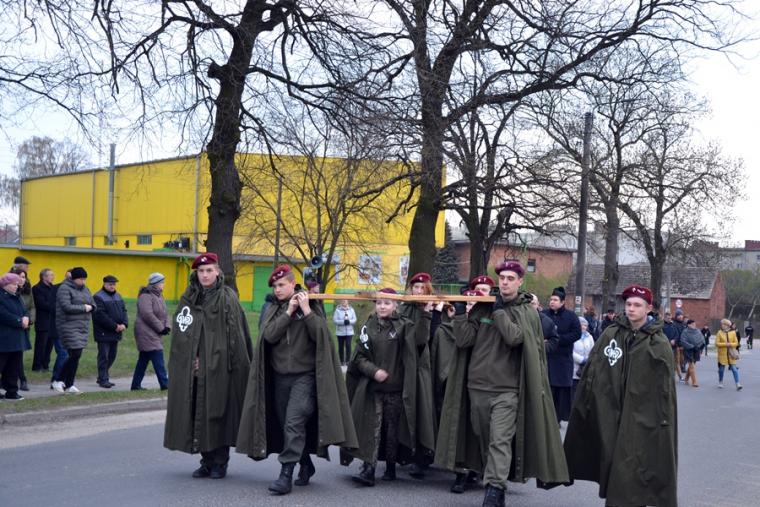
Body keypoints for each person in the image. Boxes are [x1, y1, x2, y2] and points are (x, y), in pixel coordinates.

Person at [435, 261, 569, 507]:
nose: (505, 282)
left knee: (500, 440)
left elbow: (515, 337)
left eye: (510, 278)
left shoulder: (526, 311)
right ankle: (496, 485)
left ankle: (494, 490)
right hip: (477, 387)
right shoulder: (483, 308)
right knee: (485, 439)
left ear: (520, 281)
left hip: (507, 391)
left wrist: (498, 313)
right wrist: (462, 314)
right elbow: (464, 341)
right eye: (502, 278)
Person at [236, 264, 356, 495]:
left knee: (293, 422)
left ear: (293, 284)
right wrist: (288, 312)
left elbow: (321, 335)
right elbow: (268, 336)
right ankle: (305, 463)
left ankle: (285, 474)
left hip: (305, 377)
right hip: (280, 378)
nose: (277, 289)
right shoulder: (271, 307)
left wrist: (306, 310)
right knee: (286, 426)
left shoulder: (311, 304)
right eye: (275, 286)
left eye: (282, 285)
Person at [564, 284, 678, 507]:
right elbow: (594, 370)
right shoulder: (611, 334)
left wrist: (660, 418)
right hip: (611, 410)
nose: (631, 309)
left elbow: (664, 388)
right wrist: (589, 402)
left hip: (642, 416)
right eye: (628, 304)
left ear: (648, 308)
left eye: (637, 305)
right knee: (613, 460)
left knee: (635, 462)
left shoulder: (658, 342)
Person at [164, 253, 253, 479]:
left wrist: (212, 361)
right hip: (192, 371)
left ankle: (220, 462)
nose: (205, 275)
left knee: (217, 414)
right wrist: (188, 360)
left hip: (219, 369)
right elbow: (181, 334)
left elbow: (234, 337)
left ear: (217, 272)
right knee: (196, 412)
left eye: (209, 271)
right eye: (201, 271)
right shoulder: (189, 297)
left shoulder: (227, 298)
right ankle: (206, 461)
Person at [341, 287, 433, 487]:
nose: (382, 306)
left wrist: (426, 314)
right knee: (372, 428)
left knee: (392, 430)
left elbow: (419, 341)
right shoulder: (368, 326)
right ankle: (369, 468)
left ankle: (391, 466)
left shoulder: (404, 325)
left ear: (395, 305)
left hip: (396, 390)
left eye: (387, 303)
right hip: (374, 389)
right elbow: (359, 357)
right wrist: (374, 371)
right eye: (379, 303)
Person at [397, 272, 436, 479]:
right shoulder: (403, 308)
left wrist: (427, 314)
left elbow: (423, 340)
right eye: (415, 287)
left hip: (425, 366)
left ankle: (423, 456)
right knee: (404, 409)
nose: (418, 291)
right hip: (405, 364)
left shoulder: (434, 308)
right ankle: (404, 453)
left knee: (423, 410)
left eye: (422, 288)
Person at [53, 267, 95, 394]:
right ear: (74, 278)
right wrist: (84, 308)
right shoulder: (64, 288)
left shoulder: (85, 289)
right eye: (81, 279)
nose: (83, 282)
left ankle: (69, 384)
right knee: (75, 354)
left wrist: (92, 307)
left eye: (84, 279)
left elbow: (93, 303)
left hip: (82, 326)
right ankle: (58, 380)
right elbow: (66, 306)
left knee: (76, 355)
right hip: (67, 325)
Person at [542, 286, 581, 423]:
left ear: (563, 302)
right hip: (547, 358)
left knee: (560, 392)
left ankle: (557, 419)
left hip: (563, 359)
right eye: (551, 299)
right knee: (547, 389)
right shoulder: (544, 314)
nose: (552, 302)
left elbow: (576, 334)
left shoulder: (571, 317)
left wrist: (557, 340)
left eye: (555, 300)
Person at [131, 272, 170, 391]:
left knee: (143, 359)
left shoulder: (159, 296)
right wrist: (160, 328)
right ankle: (165, 384)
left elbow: (164, 313)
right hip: (145, 332)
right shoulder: (145, 296)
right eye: (162, 282)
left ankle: (135, 385)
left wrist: (167, 326)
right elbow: (147, 314)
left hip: (154, 332)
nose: (163, 284)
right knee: (158, 355)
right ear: (156, 284)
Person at [92, 275, 128, 388]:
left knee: (112, 356)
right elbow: (100, 315)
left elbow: (124, 311)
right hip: (103, 332)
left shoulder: (118, 296)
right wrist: (115, 326)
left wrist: (124, 324)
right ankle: (103, 379)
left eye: (114, 284)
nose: (112, 286)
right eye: (110, 284)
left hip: (116, 332)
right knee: (104, 356)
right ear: (104, 284)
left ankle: (102, 377)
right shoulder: (98, 297)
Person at [0, 273, 29, 400]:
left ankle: (11, 391)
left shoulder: (17, 296)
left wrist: (26, 317)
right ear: (5, 285)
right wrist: (19, 321)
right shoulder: (1, 297)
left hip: (17, 338)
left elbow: (25, 310)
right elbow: (3, 314)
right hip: (4, 337)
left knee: (13, 367)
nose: (16, 286)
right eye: (14, 284)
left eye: (17, 284)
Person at [11, 268, 35, 392]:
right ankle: (20, 379)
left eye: (24, 277)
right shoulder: (9, 291)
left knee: (18, 354)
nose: (22, 279)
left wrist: (30, 320)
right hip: (12, 326)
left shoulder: (27, 291)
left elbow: (31, 307)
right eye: (20, 276)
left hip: (25, 326)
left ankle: (20, 380)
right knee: (13, 355)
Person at [49, 270, 70, 389]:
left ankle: (64, 380)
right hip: (58, 327)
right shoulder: (56, 289)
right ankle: (56, 379)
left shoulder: (78, 291)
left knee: (70, 354)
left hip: (72, 329)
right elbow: (52, 307)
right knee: (63, 353)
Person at [32, 268, 55, 372]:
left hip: (52, 321)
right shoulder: (37, 288)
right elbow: (41, 304)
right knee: (41, 345)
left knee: (49, 345)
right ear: (44, 277)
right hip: (42, 321)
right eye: (51, 275)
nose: (53, 277)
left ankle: (45, 365)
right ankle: (37, 366)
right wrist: (55, 307)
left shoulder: (53, 288)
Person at [715, 319, 742, 390]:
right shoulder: (719, 332)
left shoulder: (733, 332)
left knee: (734, 369)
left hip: (731, 354)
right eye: (722, 324)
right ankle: (720, 382)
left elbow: (736, 343)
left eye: (724, 324)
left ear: (727, 325)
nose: (722, 325)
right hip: (722, 354)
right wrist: (725, 344)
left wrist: (730, 344)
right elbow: (716, 343)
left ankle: (738, 384)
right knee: (721, 369)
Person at [572, 317, 594, 399]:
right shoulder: (574, 335)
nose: (583, 327)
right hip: (574, 368)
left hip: (586, 368)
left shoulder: (589, 337)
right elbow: (571, 352)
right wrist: (581, 360)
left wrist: (589, 359)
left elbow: (593, 350)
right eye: (581, 325)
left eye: (585, 325)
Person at [333, 299, 357, 366]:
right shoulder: (337, 310)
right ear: (341, 302)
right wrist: (343, 322)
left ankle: (348, 361)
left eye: (345, 301)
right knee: (341, 346)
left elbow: (354, 319)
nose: (344, 302)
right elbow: (335, 320)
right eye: (343, 301)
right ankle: (341, 361)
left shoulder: (351, 310)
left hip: (349, 332)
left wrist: (349, 321)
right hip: (340, 332)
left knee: (348, 346)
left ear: (348, 301)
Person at [681, 319, 703, 388]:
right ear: (688, 325)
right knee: (692, 365)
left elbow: (702, 339)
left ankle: (686, 379)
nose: (694, 325)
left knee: (692, 366)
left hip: (696, 350)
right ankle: (694, 382)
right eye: (692, 324)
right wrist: (691, 346)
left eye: (694, 324)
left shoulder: (698, 331)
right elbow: (683, 341)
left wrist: (699, 346)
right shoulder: (685, 332)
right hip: (688, 350)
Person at [663, 312, 683, 382]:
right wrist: (669, 341)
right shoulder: (662, 325)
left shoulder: (673, 325)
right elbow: (662, 335)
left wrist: (674, 340)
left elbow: (677, 334)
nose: (669, 319)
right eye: (668, 318)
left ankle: (679, 377)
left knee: (676, 362)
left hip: (674, 346)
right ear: (665, 318)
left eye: (670, 318)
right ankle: (668, 376)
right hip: (666, 347)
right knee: (667, 362)